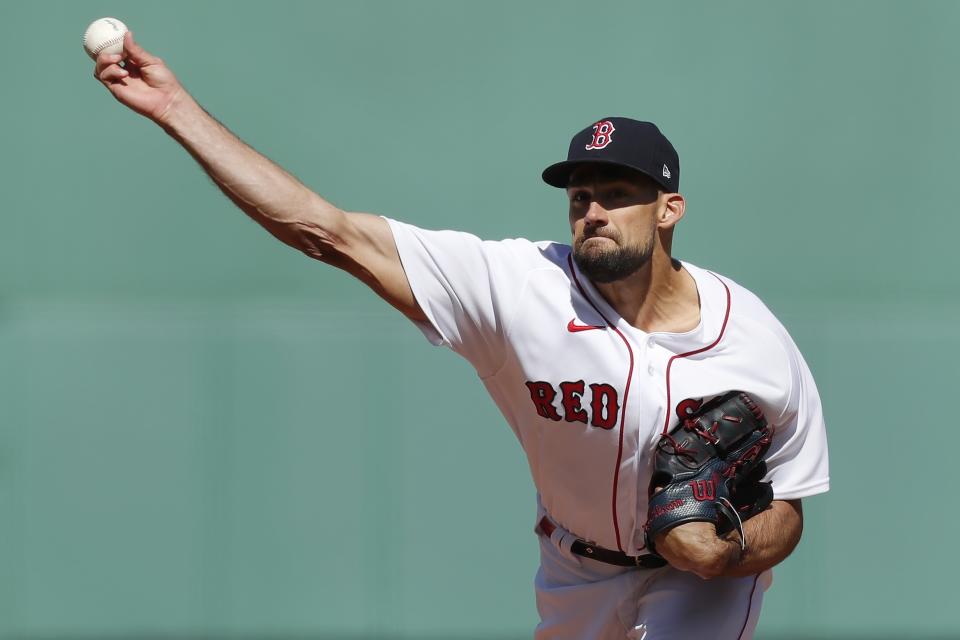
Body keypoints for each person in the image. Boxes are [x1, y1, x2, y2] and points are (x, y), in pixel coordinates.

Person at [92, 32, 830, 640]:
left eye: (617, 193)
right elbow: (329, 231)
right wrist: (175, 110)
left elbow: (791, 507)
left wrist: (725, 551)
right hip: (574, 573)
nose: (593, 210)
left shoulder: (755, 342)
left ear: (669, 208)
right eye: (580, 195)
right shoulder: (517, 288)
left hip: (696, 592)